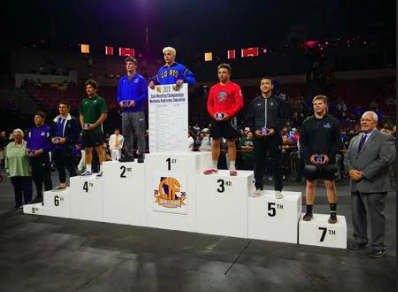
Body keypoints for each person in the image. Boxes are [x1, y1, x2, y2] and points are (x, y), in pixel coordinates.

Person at [344, 111, 396, 258]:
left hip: (375, 184)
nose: (364, 122)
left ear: (375, 123)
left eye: (367, 120)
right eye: (362, 120)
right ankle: (360, 240)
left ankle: (378, 246)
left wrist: (364, 173)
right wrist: (351, 171)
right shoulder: (355, 139)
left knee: (376, 216)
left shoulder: (386, 138)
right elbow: (347, 158)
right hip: (355, 183)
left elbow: (386, 159)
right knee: (357, 214)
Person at [299, 95, 342, 223]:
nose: (317, 105)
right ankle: (309, 212)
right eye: (315, 104)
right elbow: (303, 142)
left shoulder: (333, 122)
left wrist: (329, 156)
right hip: (311, 160)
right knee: (310, 184)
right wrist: (309, 156)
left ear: (325, 105)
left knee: (330, 184)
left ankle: (333, 214)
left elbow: (338, 142)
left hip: (328, 160)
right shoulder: (306, 123)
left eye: (319, 103)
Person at [246, 77, 286, 198]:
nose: (265, 85)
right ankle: (258, 187)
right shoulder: (254, 102)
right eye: (262, 83)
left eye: (267, 83)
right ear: (260, 87)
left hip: (274, 137)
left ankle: (278, 189)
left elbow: (283, 118)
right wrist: (254, 130)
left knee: (277, 163)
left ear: (272, 86)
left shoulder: (279, 101)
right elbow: (250, 119)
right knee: (258, 163)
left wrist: (275, 129)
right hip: (258, 137)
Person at [204, 64, 243, 176]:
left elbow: (239, 104)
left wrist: (228, 114)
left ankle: (232, 167)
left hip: (230, 118)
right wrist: (214, 114)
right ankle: (214, 166)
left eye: (224, 72)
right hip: (216, 118)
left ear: (229, 74)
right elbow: (209, 105)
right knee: (215, 142)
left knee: (231, 142)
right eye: (220, 72)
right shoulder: (213, 88)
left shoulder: (235, 87)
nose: (221, 74)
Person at [117, 57, 147, 163]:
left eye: (130, 64)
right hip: (125, 111)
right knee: (126, 134)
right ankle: (129, 155)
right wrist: (119, 101)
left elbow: (145, 94)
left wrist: (136, 101)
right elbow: (118, 95)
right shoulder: (122, 80)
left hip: (137, 110)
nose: (128, 66)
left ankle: (141, 155)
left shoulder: (141, 79)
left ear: (135, 66)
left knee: (139, 133)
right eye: (127, 64)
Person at [79, 79, 108, 177]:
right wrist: (82, 125)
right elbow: (81, 115)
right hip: (86, 130)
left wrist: (95, 125)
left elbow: (104, 115)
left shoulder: (100, 100)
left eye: (90, 87)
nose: (88, 89)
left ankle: (103, 170)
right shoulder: (84, 101)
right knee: (87, 150)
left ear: (95, 89)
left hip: (96, 130)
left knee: (99, 150)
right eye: (87, 88)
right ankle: (88, 170)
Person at [51, 101, 80, 191]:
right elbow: (52, 133)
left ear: (68, 108)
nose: (61, 109)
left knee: (70, 167)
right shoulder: (55, 120)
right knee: (59, 167)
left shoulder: (73, 120)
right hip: (57, 148)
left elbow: (76, 134)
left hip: (67, 148)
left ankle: (75, 186)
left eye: (63, 107)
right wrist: (52, 138)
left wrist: (66, 140)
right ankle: (62, 184)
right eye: (60, 107)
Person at [26, 111, 53, 203]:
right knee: (36, 177)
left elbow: (50, 144)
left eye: (38, 117)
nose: (35, 119)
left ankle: (49, 196)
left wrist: (40, 151)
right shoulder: (32, 130)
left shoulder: (48, 129)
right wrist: (27, 149)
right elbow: (29, 142)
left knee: (46, 177)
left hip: (43, 157)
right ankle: (39, 195)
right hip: (33, 158)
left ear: (43, 119)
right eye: (35, 118)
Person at [5, 129, 33, 210]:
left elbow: (31, 158)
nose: (16, 136)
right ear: (13, 136)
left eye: (18, 135)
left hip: (25, 171)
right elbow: (7, 158)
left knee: (27, 189)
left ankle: (28, 203)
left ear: (22, 136)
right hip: (13, 171)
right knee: (17, 189)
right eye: (15, 135)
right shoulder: (9, 145)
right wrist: (7, 168)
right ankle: (18, 204)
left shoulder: (27, 144)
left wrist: (31, 167)